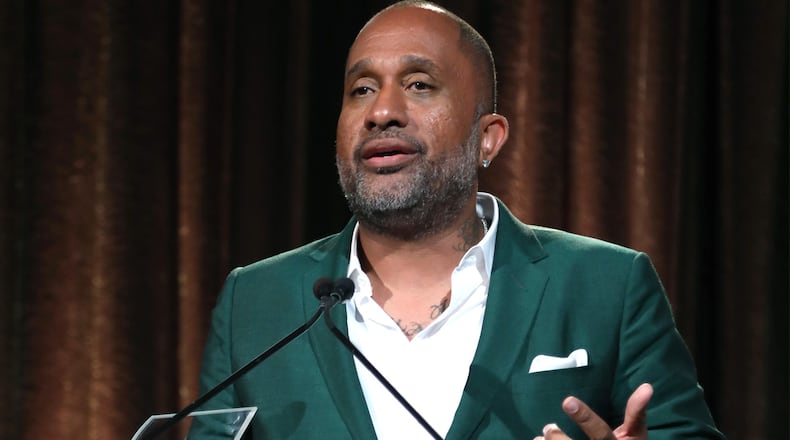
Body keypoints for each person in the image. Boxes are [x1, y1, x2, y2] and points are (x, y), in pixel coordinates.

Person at [191, 1, 723, 439]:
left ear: (487, 137)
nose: (382, 111)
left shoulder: (607, 285)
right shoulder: (255, 303)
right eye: (362, 89)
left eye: (420, 84)